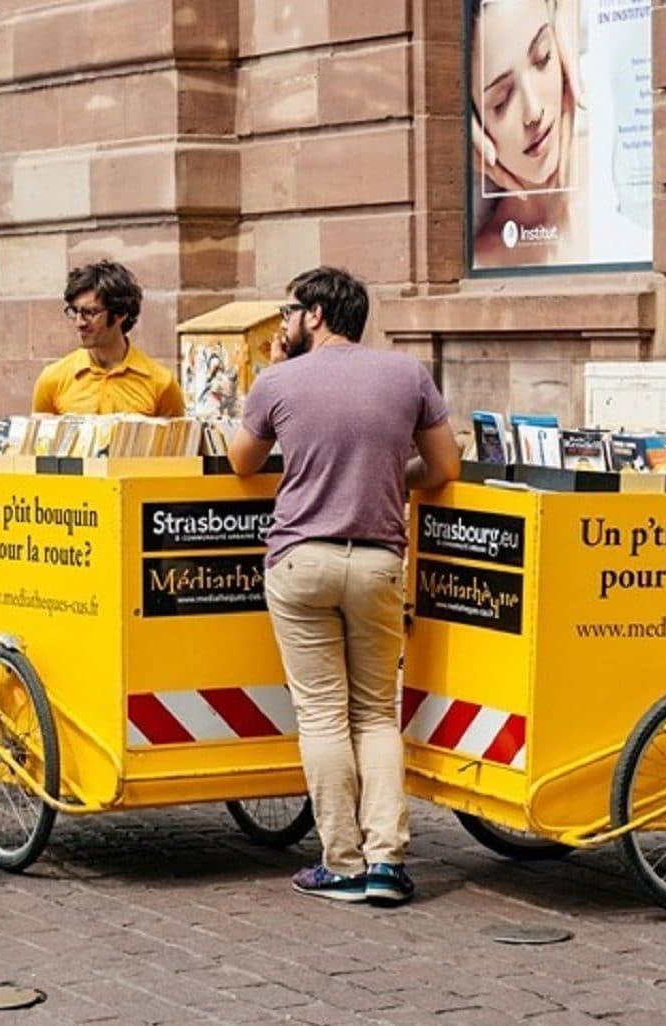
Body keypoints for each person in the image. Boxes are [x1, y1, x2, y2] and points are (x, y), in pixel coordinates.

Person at [228, 267, 461, 905]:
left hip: (302, 560)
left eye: (287, 313)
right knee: (377, 714)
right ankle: (387, 863)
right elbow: (444, 466)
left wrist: (270, 373)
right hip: (380, 560)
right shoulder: (407, 374)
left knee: (324, 715)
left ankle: (342, 862)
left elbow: (240, 460)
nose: (281, 325)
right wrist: (387, 476)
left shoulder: (278, 380)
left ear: (317, 314)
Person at [468, 0, 588, 269]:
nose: (533, 111)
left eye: (543, 57)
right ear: (474, 124)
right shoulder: (479, 262)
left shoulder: (624, 186)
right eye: (501, 100)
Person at [31, 260, 185, 417]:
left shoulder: (161, 382)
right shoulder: (52, 378)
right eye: (74, 311)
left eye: (90, 312)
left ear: (120, 314)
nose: (79, 323)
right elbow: (39, 440)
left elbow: (177, 441)